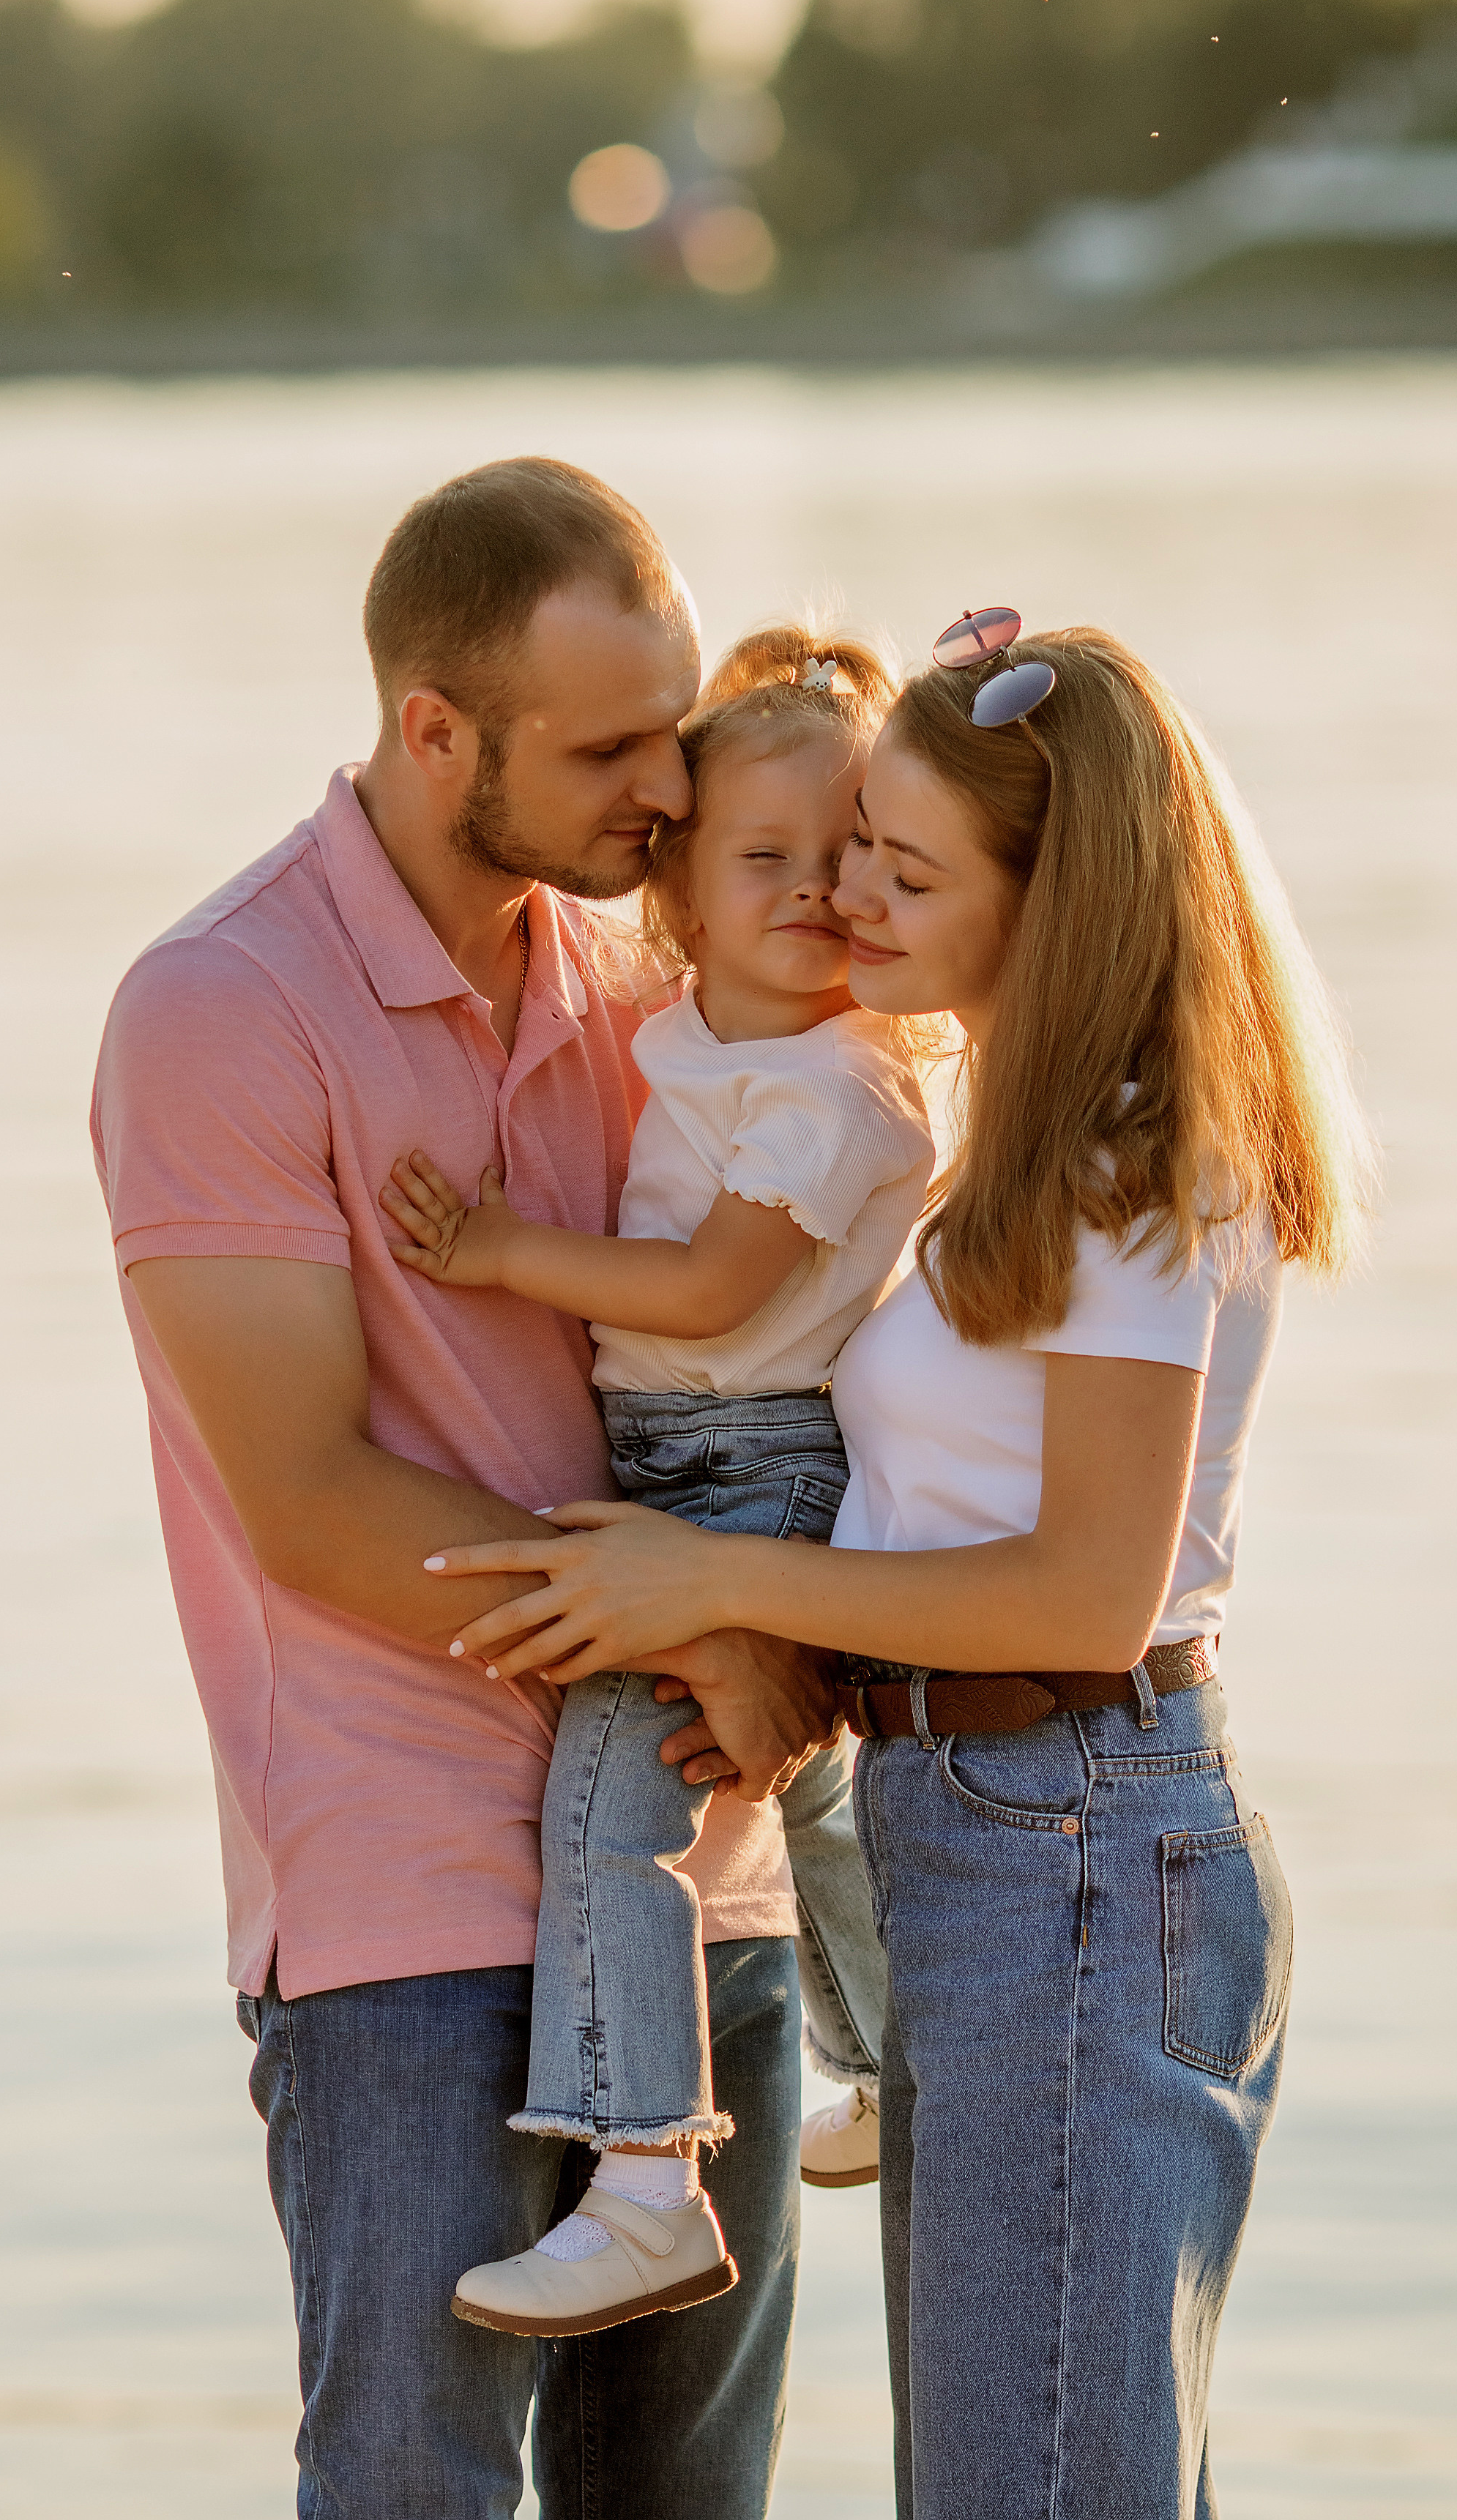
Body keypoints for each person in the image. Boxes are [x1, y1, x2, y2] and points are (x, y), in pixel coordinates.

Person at [426, 611, 1374, 2519]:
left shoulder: (1133, 1165)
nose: (854, 890)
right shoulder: (984, 1144)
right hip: (986, 1831)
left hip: (1079, 1837)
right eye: (857, 838)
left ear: (1058, 901)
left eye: (910, 867)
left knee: (1032, 2481)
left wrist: (717, 1586)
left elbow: (1081, 1595)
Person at [89, 457, 843, 2520]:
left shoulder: (654, 981)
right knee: (414, 2492)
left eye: (672, 735)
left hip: (705, 1860)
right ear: (435, 734)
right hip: (405, 1895)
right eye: (609, 752)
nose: (669, 799)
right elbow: (310, 1504)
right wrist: (710, 1627)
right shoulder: (220, 1010)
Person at [379, 624, 930, 2337]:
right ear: (677, 894)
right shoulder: (692, 1029)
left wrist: (493, 1247)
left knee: (616, 1810)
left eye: (848, 854)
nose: (817, 889)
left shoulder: (838, 1085)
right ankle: (905, 2068)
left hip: (747, 1471)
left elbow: (704, 1290)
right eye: (764, 856)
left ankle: (642, 2176)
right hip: (695, 1454)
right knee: (808, 1797)